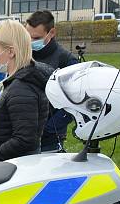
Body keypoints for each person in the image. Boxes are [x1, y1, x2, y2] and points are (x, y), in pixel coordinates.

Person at [0, 20, 50, 167]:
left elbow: (25, 139)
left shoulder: (22, 87)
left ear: (11, 51)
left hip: (9, 169)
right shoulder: (18, 80)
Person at [25, 10, 79, 152]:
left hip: (50, 139)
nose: (31, 42)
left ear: (52, 33)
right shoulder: (25, 55)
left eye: (36, 38)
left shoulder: (66, 60)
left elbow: (74, 103)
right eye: (27, 37)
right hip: (22, 134)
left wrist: (48, 129)